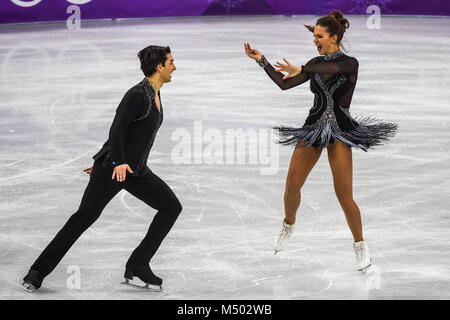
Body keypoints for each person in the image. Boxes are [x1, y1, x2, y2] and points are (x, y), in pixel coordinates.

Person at [244, 10, 397, 271]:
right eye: (314, 36)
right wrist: (262, 61)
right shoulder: (314, 63)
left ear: (334, 37)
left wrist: (303, 68)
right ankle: (288, 224)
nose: (315, 40)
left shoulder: (350, 63)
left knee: (344, 194)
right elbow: (284, 84)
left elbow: (333, 67)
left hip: (340, 131)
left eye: (319, 36)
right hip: (314, 128)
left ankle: (360, 245)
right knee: (291, 186)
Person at [22, 45, 181, 291]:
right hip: (113, 169)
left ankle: (139, 263)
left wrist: (115, 158)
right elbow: (116, 128)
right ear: (159, 67)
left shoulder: (156, 94)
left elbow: (128, 132)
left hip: (135, 171)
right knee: (84, 217)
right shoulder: (137, 95)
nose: (175, 67)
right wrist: (111, 161)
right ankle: (36, 272)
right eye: (171, 62)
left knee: (171, 207)